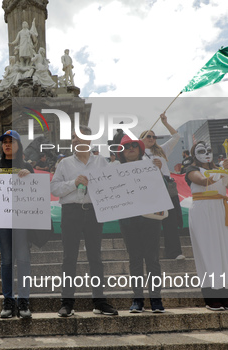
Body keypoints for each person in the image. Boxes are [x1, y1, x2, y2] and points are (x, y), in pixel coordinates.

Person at [50, 126, 117, 317]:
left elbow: (109, 185)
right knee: (69, 259)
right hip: (71, 212)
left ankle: (99, 301)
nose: (75, 141)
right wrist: (74, 183)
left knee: (96, 258)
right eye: (72, 137)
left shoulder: (101, 162)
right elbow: (54, 189)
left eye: (79, 137)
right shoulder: (64, 163)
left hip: (94, 212)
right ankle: (67, 302)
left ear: (89, 140)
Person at [185, 141, 228, 311]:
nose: (207, 153)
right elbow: (203, 181)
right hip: (203, 210)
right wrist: (222, 171)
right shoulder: (191, 170)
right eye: (202, 151)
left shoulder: (218, 169)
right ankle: (211, 297)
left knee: (225, 250)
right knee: (207, 251)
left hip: (221, 210)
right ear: (195, 154)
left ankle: (224, 296)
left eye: (209, 150)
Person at [116, 135, 166, 313]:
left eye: (134, 146)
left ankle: (156, 299)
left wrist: (159, 171)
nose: (130, 148)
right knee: (135, 259)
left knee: (152, 259)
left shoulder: (153, 165)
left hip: (150, 218)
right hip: (128, 220)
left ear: (140, 149)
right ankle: (137, 299)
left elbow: (161, 188)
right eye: (126, 146)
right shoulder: (113, 170)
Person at [0, 130, 35, 319]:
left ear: (18, 145)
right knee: (6, 260)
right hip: (1, 219)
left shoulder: (27, 167)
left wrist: (29, 178)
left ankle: (23, 300)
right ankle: (8, 300)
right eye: (4, 142)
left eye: (11, 142)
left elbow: (35, 193)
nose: (7, 144)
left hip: (22, 219)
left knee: (23, 259)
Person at [140, 113, 184, 260]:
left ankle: (174, 252)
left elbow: (176, 137)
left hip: (167, 187)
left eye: (154, 137)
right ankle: (150, 253)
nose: (151, 139)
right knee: (150, 223)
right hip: (149, 190)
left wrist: (165, 123)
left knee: (170, 221)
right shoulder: (137, 154)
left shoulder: (161, 150)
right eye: (148, 136)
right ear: (141, 139)